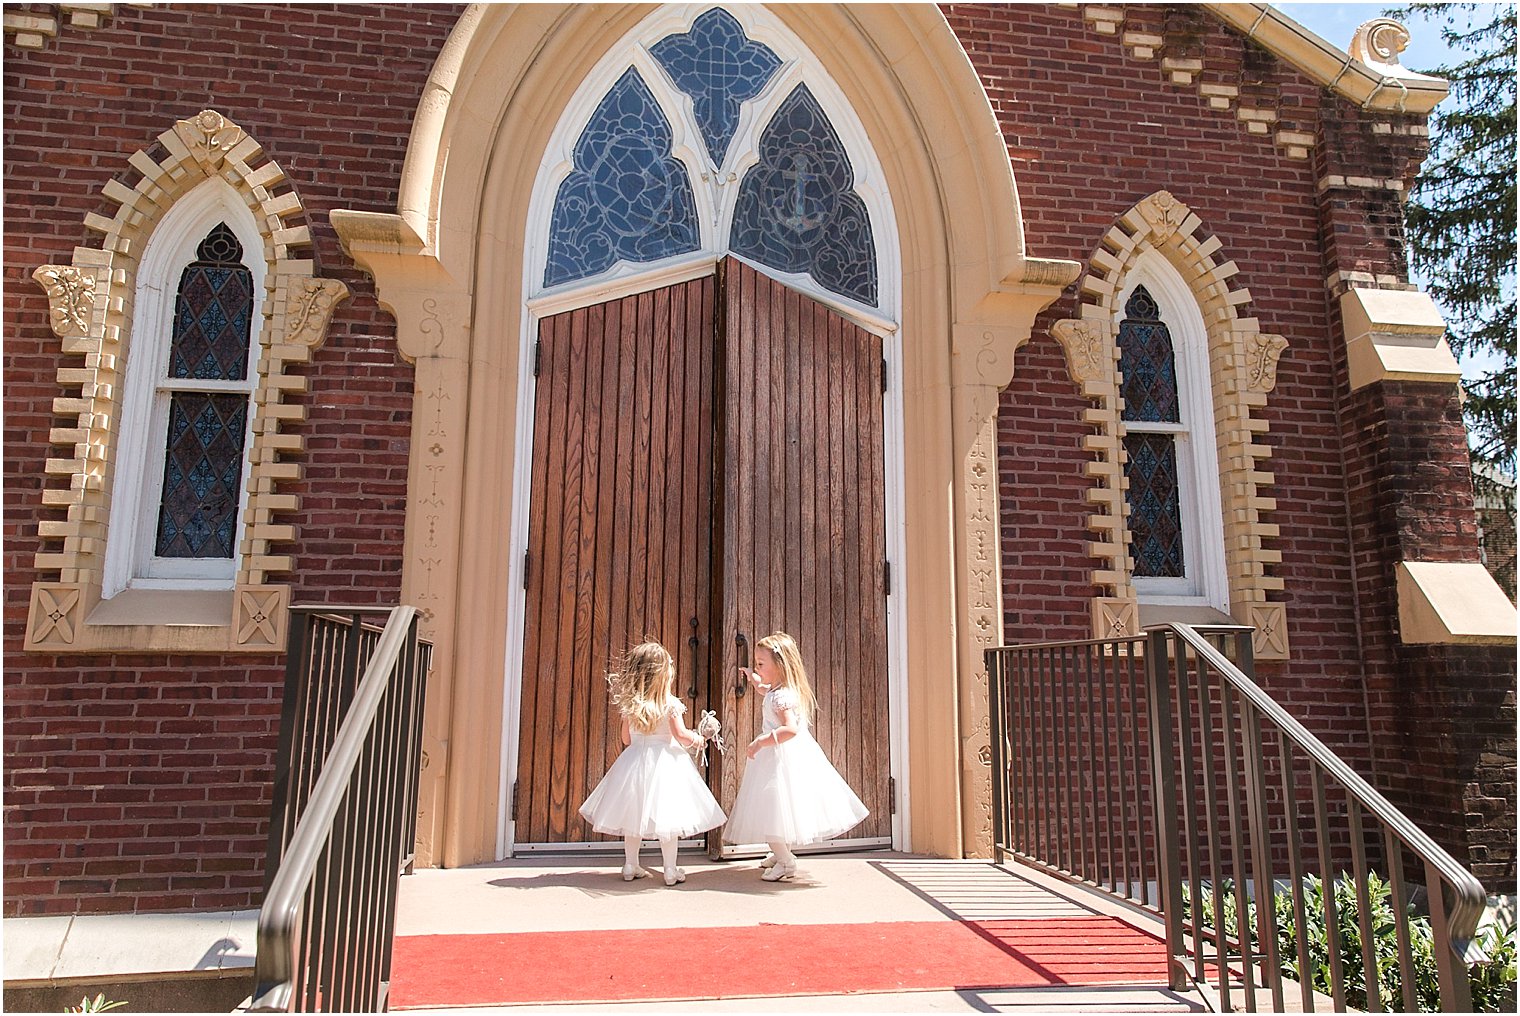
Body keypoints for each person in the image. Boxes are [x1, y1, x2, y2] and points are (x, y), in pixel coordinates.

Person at [723, 631, 868, 881]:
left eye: (761, 663)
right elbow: (763, 689)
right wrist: (753, 676)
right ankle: (780, 852)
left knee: (770, 807)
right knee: (777, 809)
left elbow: (790, 729)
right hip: (780, 755)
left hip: (779, 757)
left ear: (780, 665)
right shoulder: (778, 689)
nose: (757, 666)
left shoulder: (782, 697)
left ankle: (787, 861)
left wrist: (761, 741)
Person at [578, 641, 726, 886]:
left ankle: (630, 864)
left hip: (634, 763)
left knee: (632, 818)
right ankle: (669, 869)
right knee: (669, 819)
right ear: (662, 675)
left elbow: (626, 739)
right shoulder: (670, 704)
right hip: (666, 763)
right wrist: (699, 739)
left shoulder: (631, 705)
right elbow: (680, 735)